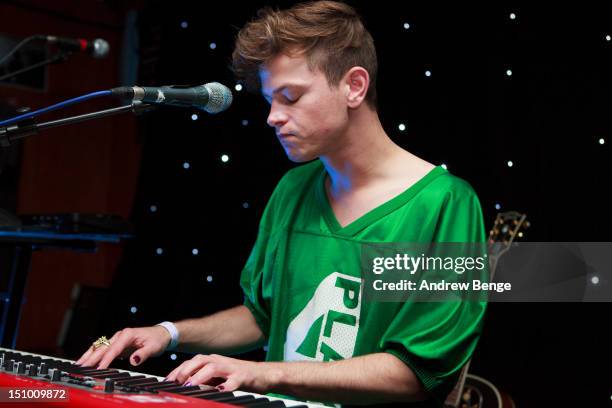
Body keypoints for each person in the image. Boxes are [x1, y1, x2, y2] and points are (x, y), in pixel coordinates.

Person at [77, 2, 487, 406]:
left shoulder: (446, 204)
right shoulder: (293, 188)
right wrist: (169, 332)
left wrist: (264, 373)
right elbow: (263, 316)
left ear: (354, 86)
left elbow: (414, 373)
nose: (273, 117)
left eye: (291, 97)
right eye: (271, 100)